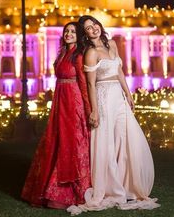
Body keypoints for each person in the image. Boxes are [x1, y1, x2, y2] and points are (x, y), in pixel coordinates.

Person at [67, 16, 160, 215]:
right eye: (88, 29)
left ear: (99, 26)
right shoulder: (91, 52)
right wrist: (94, 110)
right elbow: (91, 84)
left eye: (94, 25)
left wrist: (128, 93)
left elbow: (119, 70)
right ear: (85, 34)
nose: (93, 30)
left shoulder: (112, 44)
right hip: (103, 97)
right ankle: (111, 188)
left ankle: (128, 186)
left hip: (118, 95)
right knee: (106, 142)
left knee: (126, 138)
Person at [21, 22, 91, 209]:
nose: (68, 34)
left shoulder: (78, 55)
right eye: (66, 31)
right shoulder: (62, 53)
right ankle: (47, 188)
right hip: (61, 101)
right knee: (56, 141)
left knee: (72, 142)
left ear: (79, 36)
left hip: (74, 102)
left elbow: (83, 84)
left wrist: (88, 109)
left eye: (72, 32)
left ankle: (73, 191)